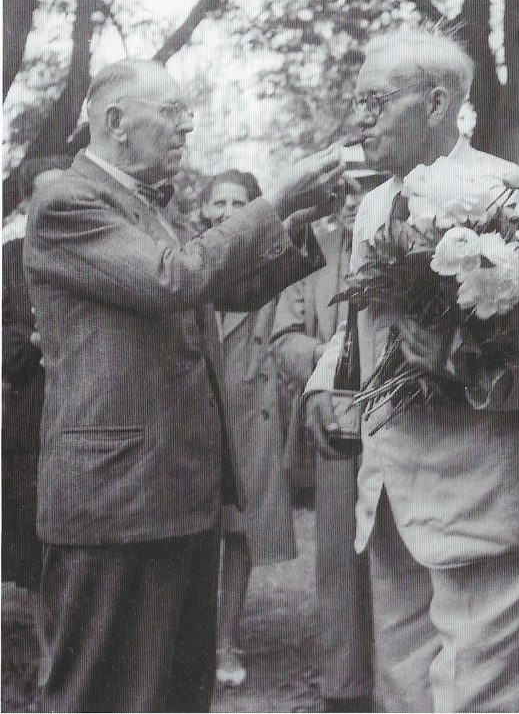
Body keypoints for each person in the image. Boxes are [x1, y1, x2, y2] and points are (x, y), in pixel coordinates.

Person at [23, 58, 342, 712]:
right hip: (112, 504)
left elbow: (225, 287)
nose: (187, 125)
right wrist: (273, 197)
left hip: (172, 495)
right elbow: (177, 277)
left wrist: (300, 219)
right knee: (93, 696)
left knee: (174, 696)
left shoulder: (144, 207)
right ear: (114, 121)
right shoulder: (65, 201)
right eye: (171, 113)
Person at [303, 27, 519, 712]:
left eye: (376, 101)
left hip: (491, 501)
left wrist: (462, 368)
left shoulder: (511, 197)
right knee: (403, 693)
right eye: (359, 102)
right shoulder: (372, 206)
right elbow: (355, 329)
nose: (361, 119)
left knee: (478, 700)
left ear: (435, 103)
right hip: (396, 500)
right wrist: (326, 384)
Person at [272, 194, 375, 713]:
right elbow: (283, 338)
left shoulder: (415, 242)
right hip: (337, 424)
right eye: (349, 192)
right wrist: (330, 355)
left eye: (370, 187)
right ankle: (345, 687)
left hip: (405, 422)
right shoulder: (314, 252)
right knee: (340, 555)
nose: (359, 202)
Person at [197, 169, 298, 688]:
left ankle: (226, 639)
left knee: (238, 540)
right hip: (197, 419)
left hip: (249, 418)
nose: (225, 211)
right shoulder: (191, 261)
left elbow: (284, 339)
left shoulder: (269, 270)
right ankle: (190, 640)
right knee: (192, 536)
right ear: (204, 210)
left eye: (238, 202)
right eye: (217, 202)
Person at [2, 156, 71, 688]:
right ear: (26, 204)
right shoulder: (7, 261)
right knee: (28, 552)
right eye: (42, 198)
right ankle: (31, 666)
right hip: (26, 424)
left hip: (84, 421)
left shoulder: (91, 252)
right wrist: (29, 343)